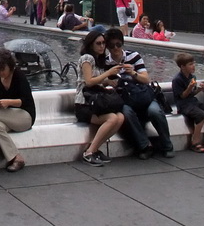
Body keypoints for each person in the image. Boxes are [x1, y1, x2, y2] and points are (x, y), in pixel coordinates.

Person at [105, 28, 175, 159]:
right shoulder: (105, 62)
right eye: (111, 45)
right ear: (107, 46)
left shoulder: (134, 56)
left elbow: (146, 79)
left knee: (155, 111)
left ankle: (167, 144)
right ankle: (144, 146)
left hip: (144, 96)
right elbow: (99, 82)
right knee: (126, 112)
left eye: (118, 44)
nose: (115, 48)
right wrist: (108, 79)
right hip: (125, 100)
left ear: (122, 43)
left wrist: (133, 73)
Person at [73, 29, 125, 166]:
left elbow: (98, 81)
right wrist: (107, 73)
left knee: (120, 117)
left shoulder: (99, 60)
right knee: (113, 118)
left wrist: (109, 81)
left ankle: (94, 149)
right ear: (91, 44)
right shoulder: (87, 58)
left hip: (95, 102)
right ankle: (89, 152)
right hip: (84, 104)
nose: (102, 46)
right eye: (98, 43)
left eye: (103, 43)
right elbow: (89, 81)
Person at [171, 53, 204, 152]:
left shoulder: (192, 77)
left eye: (193, 63)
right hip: (184, 105)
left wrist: (198, 90)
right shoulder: (177, 79)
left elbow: (192, 94)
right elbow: (182, 96)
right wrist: (190, 87)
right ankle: (195, 141)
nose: (193, 66)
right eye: (190, 64)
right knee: (201, 115)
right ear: (182, 67)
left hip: (193, 102)